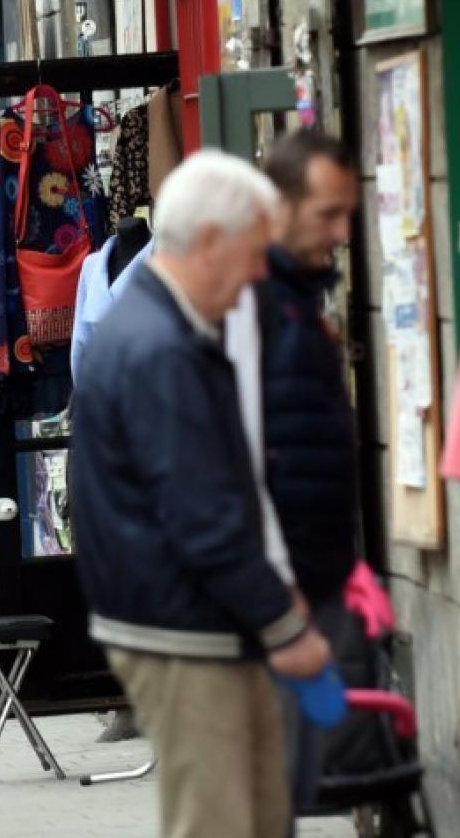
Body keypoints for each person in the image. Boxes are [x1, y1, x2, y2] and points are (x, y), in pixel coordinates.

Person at [72, 151, 332, 838]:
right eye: (253, 254)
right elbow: (201, 512)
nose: (257, 277)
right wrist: (283, 625)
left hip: (183, 615)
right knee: (220, 820)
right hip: (183, 625)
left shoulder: (158, 329)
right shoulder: (161, 347)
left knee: (254, 813)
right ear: (212, 241)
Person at [249, 130, 374, 813]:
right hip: (276, 594)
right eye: (328, 213)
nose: (342, 231)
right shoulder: (251, 301)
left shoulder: (294, 298)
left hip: (308, 582)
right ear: (282, 205)